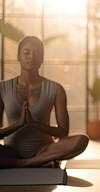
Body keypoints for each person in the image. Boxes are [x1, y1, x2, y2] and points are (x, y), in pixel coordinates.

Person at [0, 36, 89, 168]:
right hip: (11, 150)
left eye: (37, 53)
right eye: (26, 53)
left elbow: (63, 132)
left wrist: (34, 124)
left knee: (81, 140)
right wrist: (19, 124)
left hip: (44, 150)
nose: (32, 57)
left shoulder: (56, 89)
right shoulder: (2, 88)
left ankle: (24, 163)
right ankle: (35, 162)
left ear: (41, 59)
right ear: (18, 56)